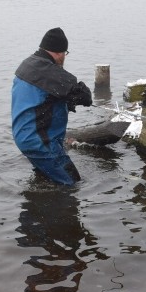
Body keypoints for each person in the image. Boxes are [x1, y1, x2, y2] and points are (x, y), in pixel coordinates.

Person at [11, 27, 92, 185]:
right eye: (65, 53)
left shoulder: (26, 65)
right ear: (59, 52)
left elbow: (41, 99)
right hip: (40, 143)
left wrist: (67, 102)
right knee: (72, 182)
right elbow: (85, 95)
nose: (64, 58)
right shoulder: (50, 72)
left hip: (23, 137)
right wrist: (76, 99)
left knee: (44, 180)